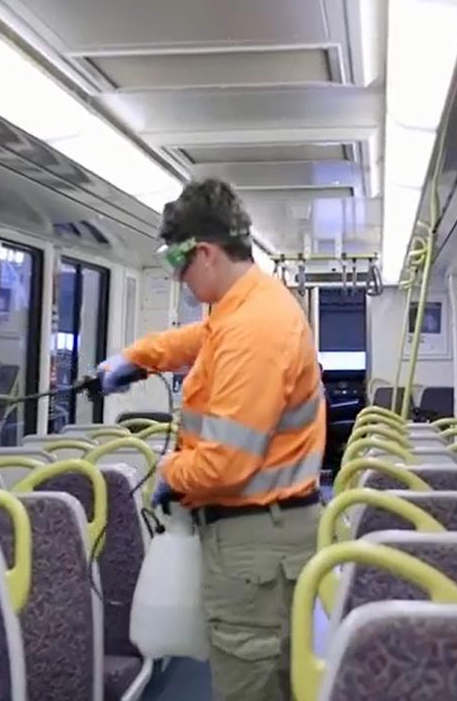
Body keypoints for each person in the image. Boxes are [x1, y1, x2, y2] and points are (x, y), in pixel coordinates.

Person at [100, 179, 324, 701]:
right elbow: (203, 338)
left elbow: (224, 467)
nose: (179, 278)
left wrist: (168, 473)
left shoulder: (254, 329)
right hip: (264, 540)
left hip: (256, 549)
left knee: (250, 686)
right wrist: (140, 357)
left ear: (203, 252)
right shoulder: (249, 304)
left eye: (179, 266)